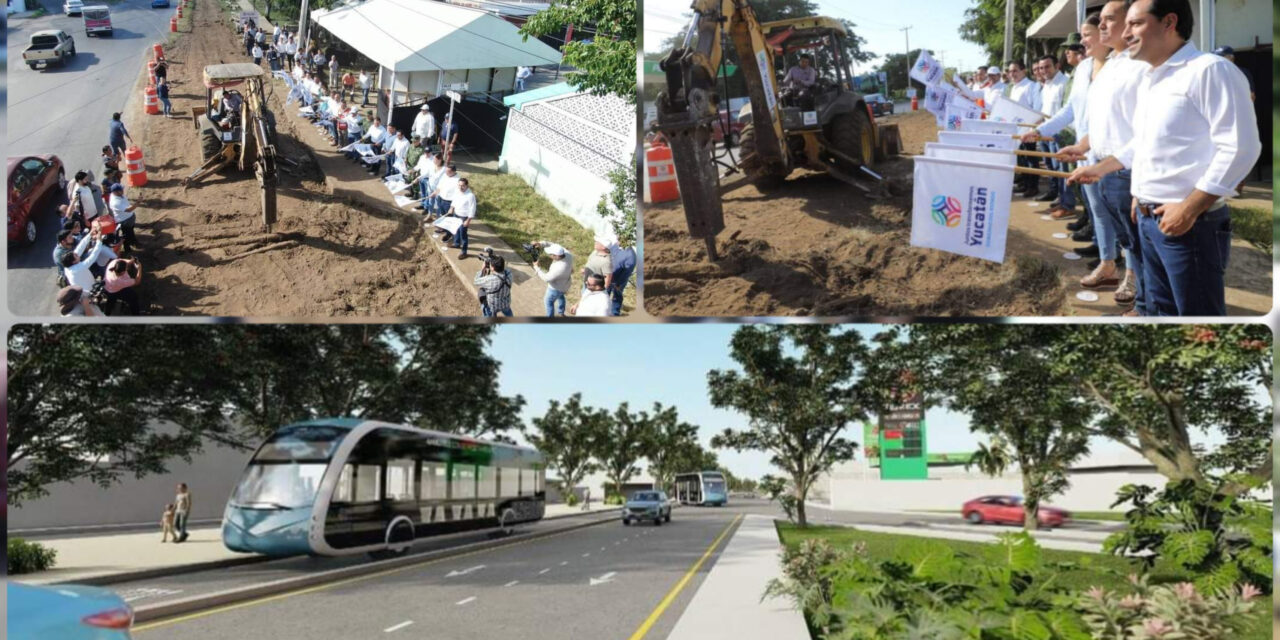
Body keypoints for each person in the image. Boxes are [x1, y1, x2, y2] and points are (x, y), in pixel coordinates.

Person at [1068, 0, 1260, 317]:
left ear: (1169, 23)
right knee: (1159, 314)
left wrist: (1190, 206)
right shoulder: (1151, 78)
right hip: (1149, 218)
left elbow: (1241, 147)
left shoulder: (1210, 70)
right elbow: (1143, 144)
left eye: (1136, 24)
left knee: (1196, 320)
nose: (1126, 33)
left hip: (1189, 226)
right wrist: (1111, 175)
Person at [1058, 0, 1149, 314]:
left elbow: (1145, 127)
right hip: (1103, 162)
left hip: (1126, 167)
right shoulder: (1112, 64)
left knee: (1136, 239)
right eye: (1104, 20)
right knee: (1125, 234)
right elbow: (1102, 121)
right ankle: (1136, 289)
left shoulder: (1141, 64)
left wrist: (1106, 162)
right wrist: (1084, 146)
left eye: (1111, 20)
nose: (1105, 26)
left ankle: (1139, 291)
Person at [534, 242, 573, 317]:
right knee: (561, 296)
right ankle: (561, 312)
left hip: (555, 288)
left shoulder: (559, 268)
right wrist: (541, 243)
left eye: (551, 254)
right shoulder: (568, 254)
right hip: (565, 284)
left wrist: (537, 267)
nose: (549, 255)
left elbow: (546, 278)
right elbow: (553, 245)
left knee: (548, 302)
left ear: (557, 256)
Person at [447, 178, 476, 257]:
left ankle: (464, 252)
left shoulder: (470, 196)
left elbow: (472, 209)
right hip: (456, 214)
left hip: (464, 217)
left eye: (463, 186)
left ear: (467, 186)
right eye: (459, 185)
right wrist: (451, 208)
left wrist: (468, 220)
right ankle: (456, 243)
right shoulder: (457, 192)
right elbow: (454, 201)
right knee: (456, 231)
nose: (460, 187)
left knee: (463, 235)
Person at [608, 237, 636, 316]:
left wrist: (619, 284)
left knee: (617, 296)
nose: (617, 240)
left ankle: (614, 313)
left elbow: (627, 272)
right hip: (608, 277)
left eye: (618, 239)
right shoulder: (614, 247)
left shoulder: (630, 255)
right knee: (605, 293)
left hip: (618, 281)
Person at [108, 183, 138, 252]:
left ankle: (134, 242)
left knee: (131, 231)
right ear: (116, 192)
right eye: (121, 190)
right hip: (124, 221)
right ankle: (127, 249)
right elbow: (128, 210)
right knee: (126, 235)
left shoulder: (119, 195)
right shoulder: (115, 202)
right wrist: (137, 203)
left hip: (129, 218)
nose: (123, 191)